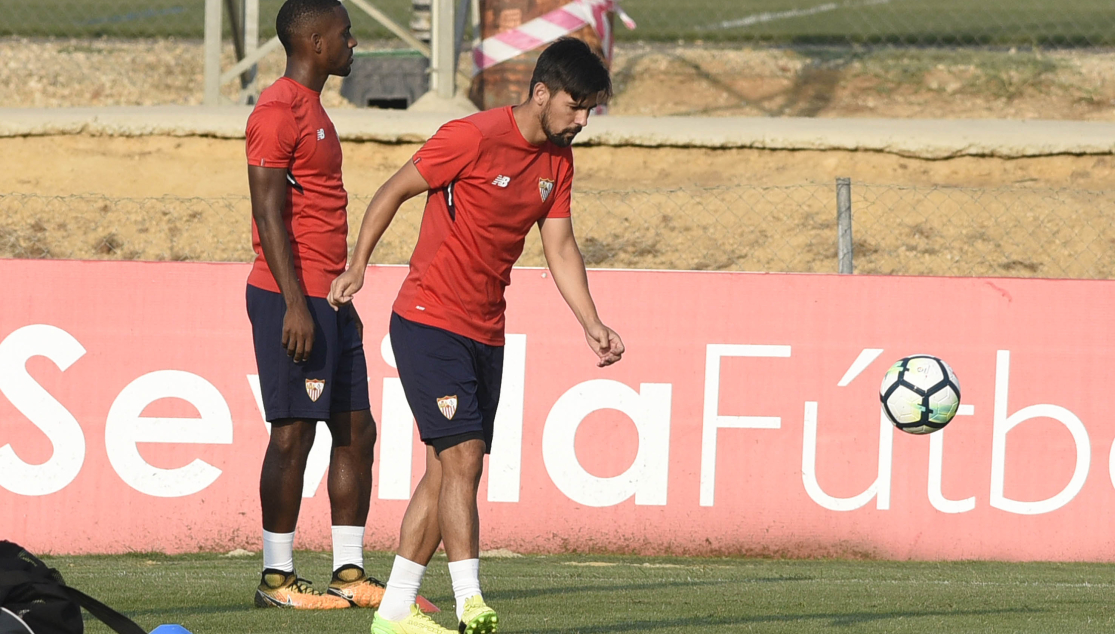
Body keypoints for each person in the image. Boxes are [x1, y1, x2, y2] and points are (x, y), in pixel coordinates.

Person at [328, 37, 625, 634]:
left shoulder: (559, 163)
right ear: (541, 93)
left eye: (590, 109)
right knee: (462, 457)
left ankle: (394, 610)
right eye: (575, 106)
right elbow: (392, 190)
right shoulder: (472, 136)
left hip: (487, 330)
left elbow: (560, 245)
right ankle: (470, 601)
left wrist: (591, 322)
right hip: (427, 319)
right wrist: (358, 265)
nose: (582, 120)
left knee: (448, 471)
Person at [244, 0, 382, 610]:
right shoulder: (276, 111)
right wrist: (297, 304)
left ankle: (349, 572)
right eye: (347, 35)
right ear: (317, 43)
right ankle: (277, 579)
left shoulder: (316, 109)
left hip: (330, 296)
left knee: (356, 429)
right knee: (292, 433)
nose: (354, 44)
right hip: (290, 297)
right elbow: (267, 211)